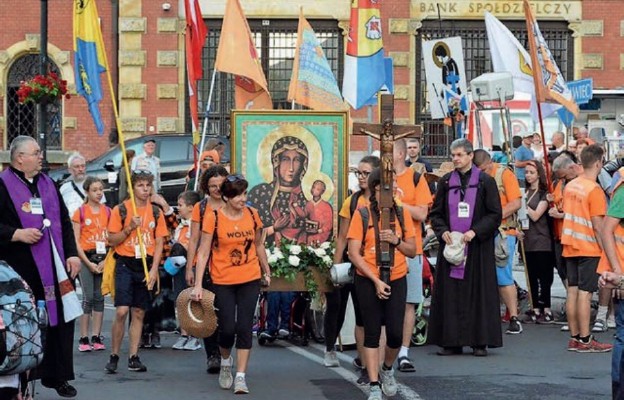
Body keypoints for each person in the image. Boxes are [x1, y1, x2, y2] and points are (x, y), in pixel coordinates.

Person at [0, 135, 81, 398]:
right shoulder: (2, 185)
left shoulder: (48, 184)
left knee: (59, 323)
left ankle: (57, 375)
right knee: (23, 326)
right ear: (19, 157)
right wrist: (16, 234)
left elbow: (65, 222)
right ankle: (20, 381)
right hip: (19, 271)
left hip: (54, 265)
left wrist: (72, 254)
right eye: (35, 152)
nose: (40, 156)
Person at [192, 175, 271, 394]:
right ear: (226, 197)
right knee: (227, 329)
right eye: (237, 195)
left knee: (245, 327)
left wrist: (266, 268)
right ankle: (226, 363)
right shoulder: (213, 217)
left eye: (244, 193)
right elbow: (204, 250)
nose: (242, 199)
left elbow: (258, 244)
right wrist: (198, 284)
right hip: (223, 280)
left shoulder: (253, 215)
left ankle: (241, 376)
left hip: (249, 278)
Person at [429, 139, 503, 357]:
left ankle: (479, 341)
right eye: (453, 155)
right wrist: (443, 231)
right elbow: (436, 214)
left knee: (478, 293)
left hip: (476, 248)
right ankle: (451, 341)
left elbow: (494, 214)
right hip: (452, 247)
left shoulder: (485, 182)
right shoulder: (445, 182)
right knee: (451, 293)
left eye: (460, 155)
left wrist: (476, 231)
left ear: (471, 156)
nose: (455, 159)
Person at [347, 167, 416, 400]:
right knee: (372, 332)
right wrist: (375, 280)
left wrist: (396, 240)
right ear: (375, 190)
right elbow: (354, 253)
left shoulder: (402, 213)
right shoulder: (363, 214)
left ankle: (387, 369)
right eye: (385, 188)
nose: (391, 191)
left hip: (397, 277)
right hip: (368, 279)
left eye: (393, 187)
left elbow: (413, 250)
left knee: (395, 334)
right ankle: (374, 383)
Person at [104, 170, 168, 374]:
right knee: (122, 311)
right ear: (132, 188)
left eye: (148, 185)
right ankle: (114, 354)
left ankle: (133, 356)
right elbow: (111, 240)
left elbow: (159, 243)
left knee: (139, 312)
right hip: (125, 263)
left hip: (145, 264)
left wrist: (154, 269)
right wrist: (129, 228)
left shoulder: (156, 212)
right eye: (140, 185)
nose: (145, 189)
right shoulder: (121, 210)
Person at [325, 155, 379, 382]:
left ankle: (365, 359)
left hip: (372, 265)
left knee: (365, 315)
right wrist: (337, 267)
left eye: (366, 173)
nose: (361, 178)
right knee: (339, 306)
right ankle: (332, 348)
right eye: (359, 173)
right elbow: (342, 237)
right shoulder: (353, 201)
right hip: (351, 263)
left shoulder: (383, 201)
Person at [560, 144, 612, 353]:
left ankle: (575, 337)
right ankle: (585, 339)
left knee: (572, 291)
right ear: (599, 163)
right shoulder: (595, 189)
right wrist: (607, 251)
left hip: (569, 244)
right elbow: (599, 226)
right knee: (586, 293)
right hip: (588, 246)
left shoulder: (571, 185)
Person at [473, 149, 523, 335]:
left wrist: (493, 218)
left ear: (489, 164)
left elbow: (516, 203)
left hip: (502, 232)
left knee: (503, 276)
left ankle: (514, 317)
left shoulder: (504, 174)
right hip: (480, 232)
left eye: (484, 170)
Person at [393, 139, 432, 372]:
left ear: (398, 154)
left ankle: (404, 353)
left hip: (411, 248)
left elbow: (421, 212)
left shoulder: (415, 178)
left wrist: (398, 204)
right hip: (384, 249)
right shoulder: (382, 179)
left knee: (409, 302)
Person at [186, 165, 229, 373]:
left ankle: (224, 352)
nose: (217, 189)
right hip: (206, 265)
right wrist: (190, 268)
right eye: (212, 186)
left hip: (229, 264)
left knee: (226, 312)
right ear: (206, 186)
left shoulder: (233, 204)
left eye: (220, 185)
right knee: (208, 310)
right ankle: (212, 355)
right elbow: (193, 240)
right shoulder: (201, 208)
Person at [247, 135, 310, 245]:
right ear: (276, 162)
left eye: (296, 160)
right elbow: (247, 232)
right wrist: (274, 228)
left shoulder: (307, 197)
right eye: (285, 159)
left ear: (303, 164)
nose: (291, 168)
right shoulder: (260, 193)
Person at [72, 176, 110, 352]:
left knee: (99, 297)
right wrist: (87, 263)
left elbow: (111, 238)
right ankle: (83, 336)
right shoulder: (80, 212)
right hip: (86, 257)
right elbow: (77, 241)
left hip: (102, 256)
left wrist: (105, 261)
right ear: (87, 191)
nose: (99, 193)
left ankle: (97, 335)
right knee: (88, 297)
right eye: (95, 190)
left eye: (101, 189)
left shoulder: (108, 212)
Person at [520, 161, 555, 322]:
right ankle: (534, 306)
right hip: (526, 239)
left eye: (532, 172)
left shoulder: (543, 193)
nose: (528, 175)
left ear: (539, 174)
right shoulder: (524, 191)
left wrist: (521, 204)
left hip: (542, 239)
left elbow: (535, 215)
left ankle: (546, 306)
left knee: (544, 276)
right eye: (526, 172)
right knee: (531, 275)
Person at [170, 190, 203, 351]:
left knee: (193, 301)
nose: (178, 208)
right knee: (181, 300)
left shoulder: (196, 226)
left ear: (191, 208)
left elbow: (195, 246)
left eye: (181, 205)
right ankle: (184, 334)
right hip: (179, 268)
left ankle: (195, 336)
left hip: (193, 266)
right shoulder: (180, 226)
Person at [60, 153, 106, 217]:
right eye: (77, 166)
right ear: (69, 170)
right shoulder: (64, 188)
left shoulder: (95, 185)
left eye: (83, 166)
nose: (80, 169)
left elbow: (102, 208)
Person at [305, 180, 333, 244]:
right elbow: (305, 217)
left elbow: (329, 223)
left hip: (321, 233)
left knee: (312, 239)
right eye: (313, 187)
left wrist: (320, 230)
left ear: (322, 192)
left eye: (317, 189)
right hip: (309, 231)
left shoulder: (326, 206)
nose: (314, 190)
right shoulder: (308, 204)